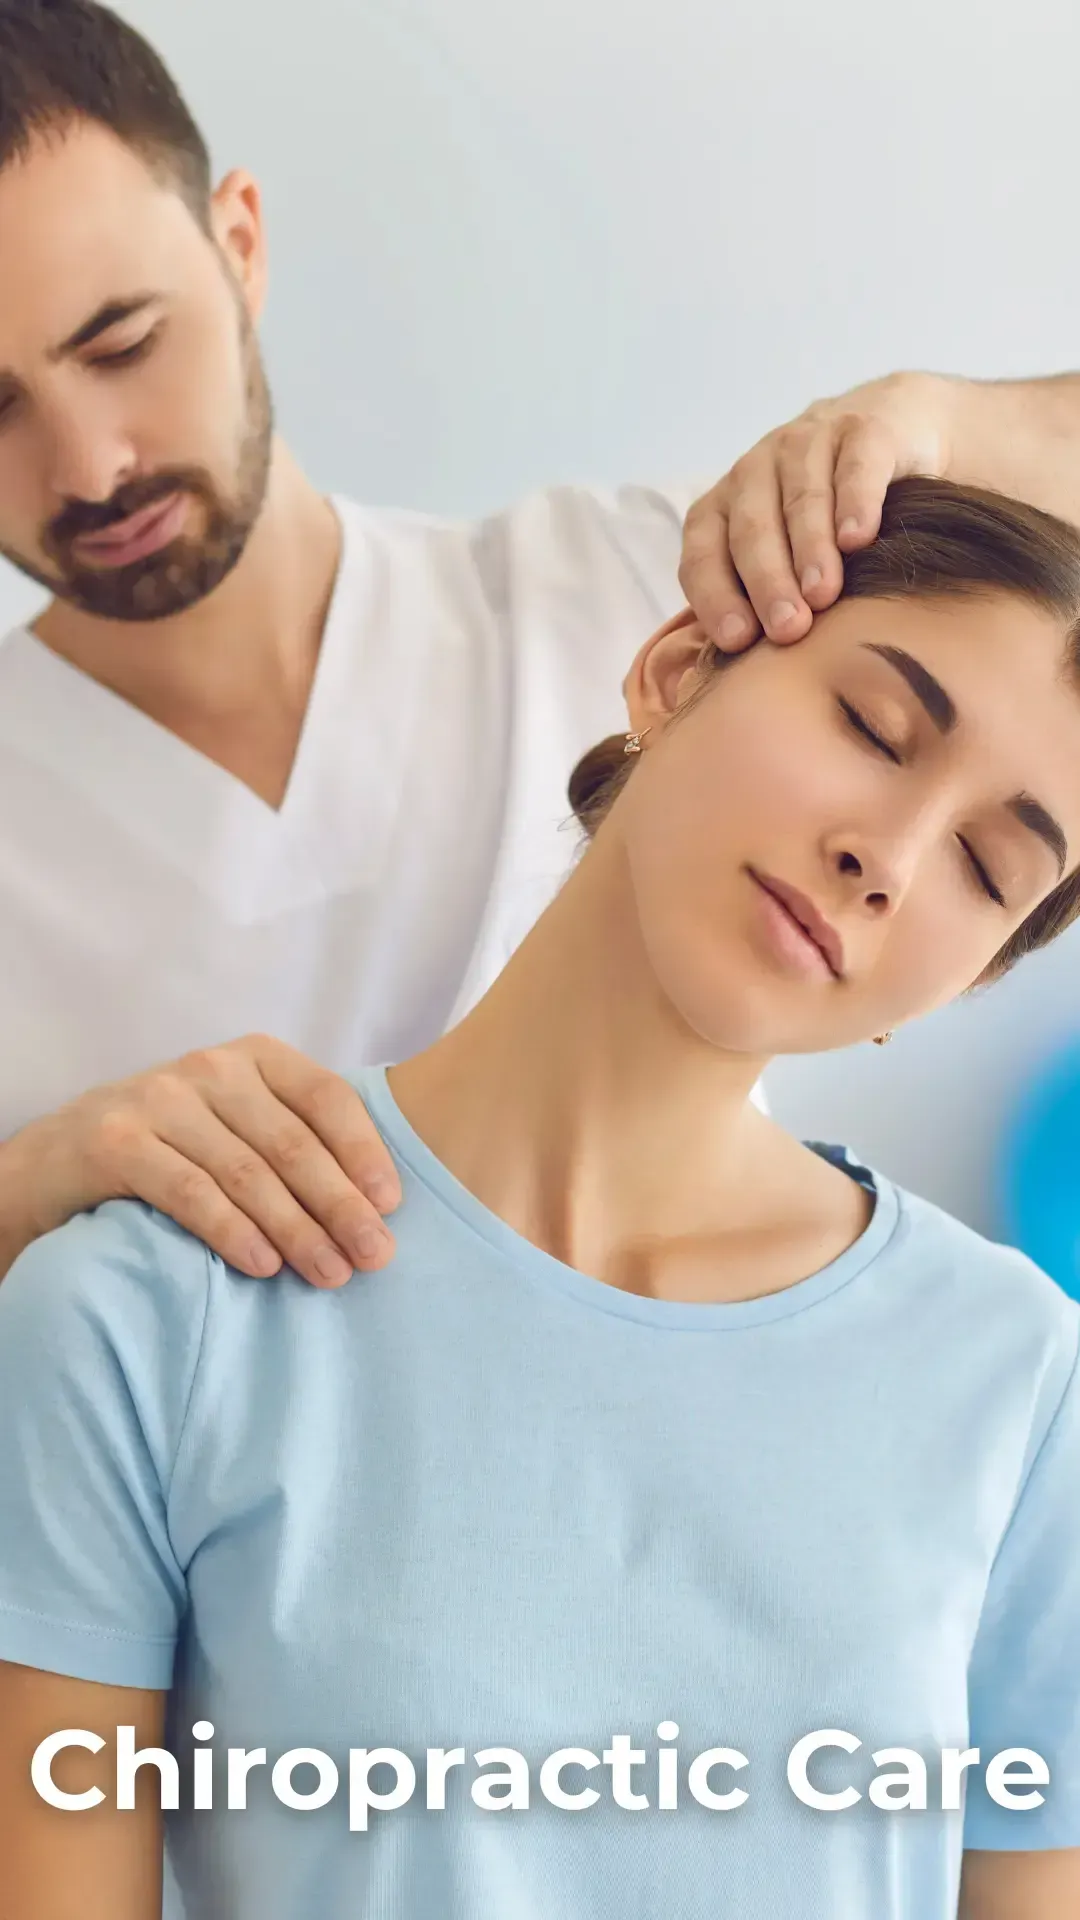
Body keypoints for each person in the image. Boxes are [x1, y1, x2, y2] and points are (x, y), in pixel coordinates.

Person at [2, 477, 1080, 1920]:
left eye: (983, 867)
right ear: (678, 670)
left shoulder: (1018, 1385)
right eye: (873, 729)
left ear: (977, 973)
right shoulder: (151, 1311)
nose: (885, 858)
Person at [7, 6, 1080, 1299]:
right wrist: (26, 1194)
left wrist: (937, 417)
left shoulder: (643, 587)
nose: (91, 466)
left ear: (238, 245)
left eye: (124, 345)